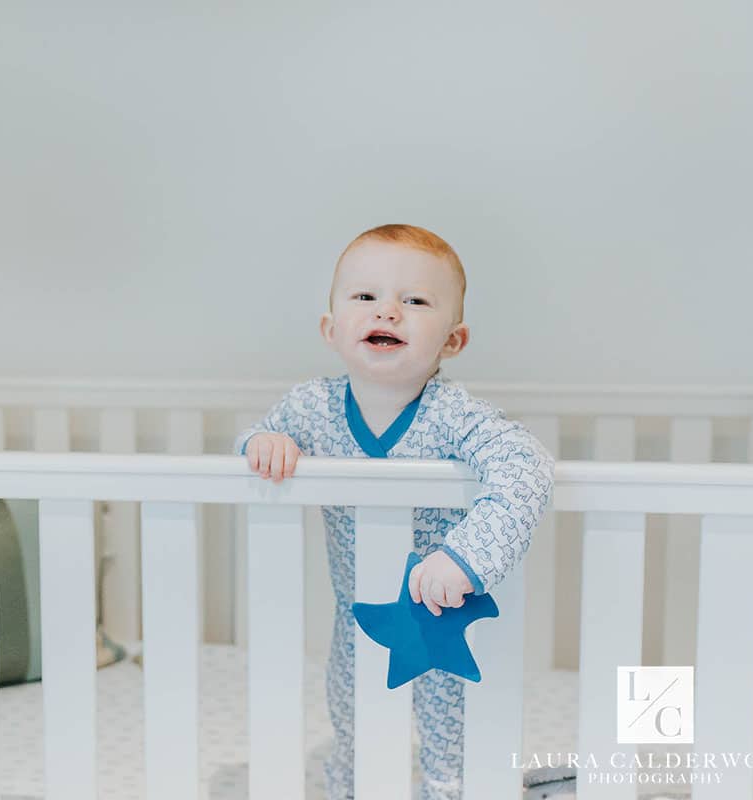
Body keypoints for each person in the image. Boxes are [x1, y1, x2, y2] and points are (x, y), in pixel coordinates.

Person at [234, 224, 555, 800]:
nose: (388, 310)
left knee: (449, 745)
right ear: (332, 330)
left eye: (415, 300)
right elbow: (260, 435)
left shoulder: (456, 416)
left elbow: (526, 467)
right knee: (353, 731)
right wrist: (264, 443)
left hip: (441, 611)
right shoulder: (310, 408)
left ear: (453, 341)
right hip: (356, 621)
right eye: (365, 297)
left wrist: (466, 557)